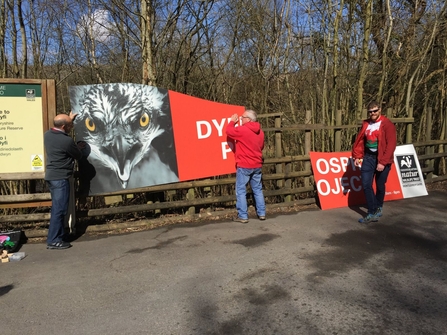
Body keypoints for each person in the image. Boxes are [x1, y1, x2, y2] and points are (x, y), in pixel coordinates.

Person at [44, 111, 84, 249]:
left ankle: (59, 235)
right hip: (60, 178)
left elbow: (63, 143)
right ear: (63, 127)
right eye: (70, 124)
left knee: (58, 208)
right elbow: (77, 155)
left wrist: (69, 118)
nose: (72, 126)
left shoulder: (47, 135)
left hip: (51, 176)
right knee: (59, 210)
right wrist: (78, 148)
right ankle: (53, 240)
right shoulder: (66, 141)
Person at [352, 101, 397, 223]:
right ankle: (372, 211)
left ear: (380, 110)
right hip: (368, 157)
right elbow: (360, 141)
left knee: (380, 185)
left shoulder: (387, 125)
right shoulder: (366, 124)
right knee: (366, 184)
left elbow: (391, 145)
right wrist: (357, 156)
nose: (372, 113)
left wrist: (382, 162)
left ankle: (379, 206)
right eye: (370, 111)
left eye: (375, 111)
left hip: (382, 158)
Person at [226, 109, 266, 223]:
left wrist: (232, 122)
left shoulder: (243, 130)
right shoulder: (260, 132)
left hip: (244, 165)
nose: (240, 119)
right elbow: (261, 146)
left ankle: (243, 215)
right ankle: (262, 213)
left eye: (242, 117)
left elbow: (228, 131)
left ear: (248, 119)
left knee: (241, 190)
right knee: (257, 189)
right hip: (257, 165)